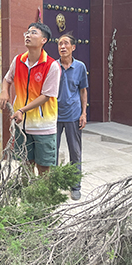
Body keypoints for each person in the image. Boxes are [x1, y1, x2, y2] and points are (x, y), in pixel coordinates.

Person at [0, 22, 61, 175]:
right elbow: (7, 79)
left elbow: (46, 96)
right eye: (27, 32)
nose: (28, 35)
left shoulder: (51, 66)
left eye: (33, 33)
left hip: (43, 126)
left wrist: (22, 110)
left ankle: (43, 199)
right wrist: (4, 91)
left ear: (43, 40)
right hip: (22, 126)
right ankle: (27, 197)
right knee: (25, 165)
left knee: (44, 168)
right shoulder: (18, 60)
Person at [56, 33, 88, 201]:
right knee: (51, 152)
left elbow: (83, 90)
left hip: (74, 115)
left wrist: (83, 113)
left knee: (75, 152)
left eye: (66, 43)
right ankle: (52, 184)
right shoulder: (53, 66)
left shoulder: (80, 67)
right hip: (54, 116)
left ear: (73, 47)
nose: (62, 46)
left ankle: (75, 186)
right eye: (60, 43)